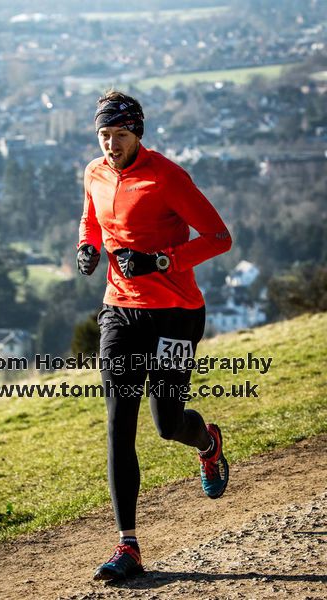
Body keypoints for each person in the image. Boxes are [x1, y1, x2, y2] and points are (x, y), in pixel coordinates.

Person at [77, 90, 232, 582]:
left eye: (119, 135)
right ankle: (128, 545)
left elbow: (218, 237)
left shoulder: (166, 176)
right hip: (120, 313)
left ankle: (206, 441)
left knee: (166, 423)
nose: (110, 145)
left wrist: (163, 260)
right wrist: (87, 246)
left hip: (174, 314)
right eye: (103, 136)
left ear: (137, 133)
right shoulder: (94, 173)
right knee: (119, 422)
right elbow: (92, 219)